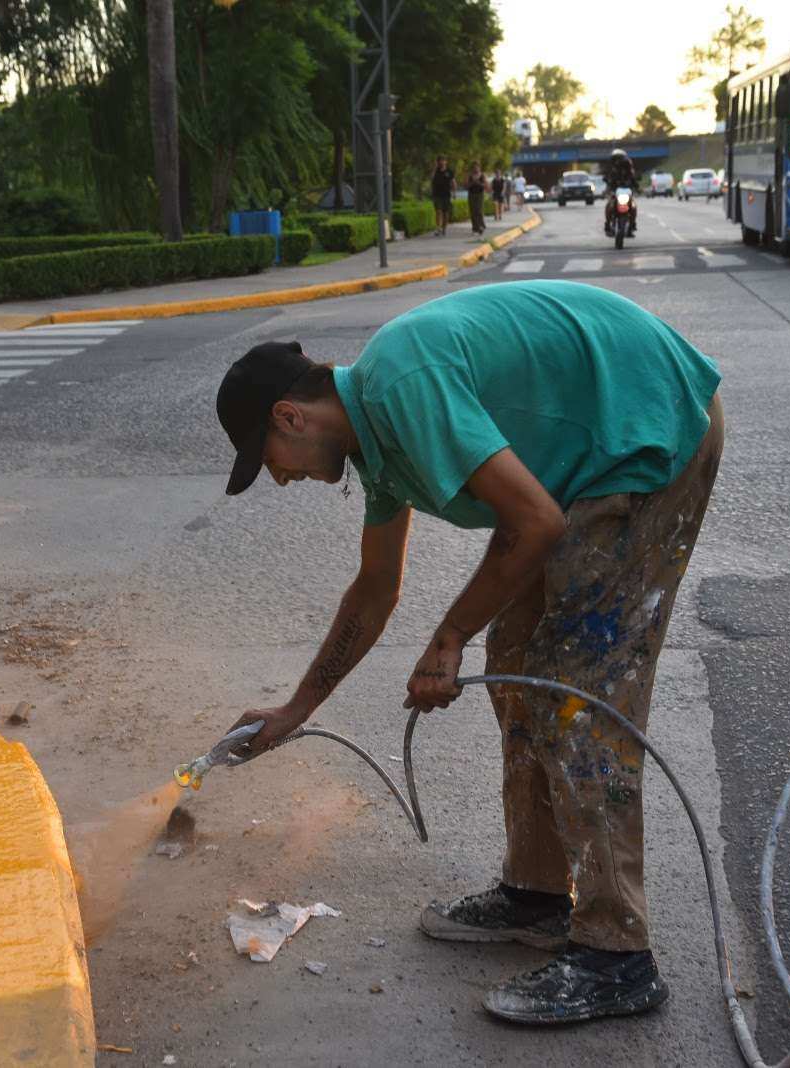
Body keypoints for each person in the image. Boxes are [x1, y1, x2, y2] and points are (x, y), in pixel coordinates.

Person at [213, 280, 723, 1025]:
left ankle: (619, 954)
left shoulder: (402, 384)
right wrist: (297, 710)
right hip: (579, 468)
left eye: (272, 461)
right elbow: (375, 589)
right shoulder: (377, 440)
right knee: (520, 668)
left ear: (290, 416)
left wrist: (450, 637)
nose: (283, 477)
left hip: (648, 431)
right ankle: (540, 892)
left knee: (575, 691)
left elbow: (537, 523)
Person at [601, 148, 637, 236]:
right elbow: (607, 177)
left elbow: (633, 177)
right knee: (609, 204)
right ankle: (608, 224)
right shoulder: (610, 167)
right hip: (615, 190)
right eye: (616, 158)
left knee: (633, 206)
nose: (618, 160)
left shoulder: (628, 166)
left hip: (626, 190)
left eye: (620, 158)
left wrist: (636, 184)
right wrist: (608, 181)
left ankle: (632, 224)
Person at [430, 156, 454, 237]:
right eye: (439, 161)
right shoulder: (435, 171)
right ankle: (438, 228)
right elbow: (431, 178)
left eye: (443, 161)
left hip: (446, 194)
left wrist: (454, 193)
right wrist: (434, 168)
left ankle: (444, 228)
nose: (441, 162)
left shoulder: (449, 171)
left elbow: (453, 182)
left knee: (446, 213)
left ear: (446, 162)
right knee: (438, 211)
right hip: (437, 194)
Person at [466, 162, 486, 236]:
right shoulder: (469, 176)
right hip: (471, 194)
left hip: (479, 194)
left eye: (477, 167)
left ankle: (481, 226)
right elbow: (466, 185)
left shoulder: (482, 175)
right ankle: (475, 228)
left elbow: (485, 185)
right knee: (473, 211)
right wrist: (472, 183)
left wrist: (478, 183)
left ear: (479, 167)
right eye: (474, 167)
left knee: (479, 210)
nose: (476, 169)